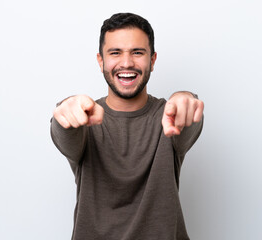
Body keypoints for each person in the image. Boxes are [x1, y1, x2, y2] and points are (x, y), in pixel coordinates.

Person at [50, 12, 204, 240]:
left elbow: (188, 119)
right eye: (115, 53)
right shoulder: (85, 118)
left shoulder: (169, 117)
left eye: (137, 52)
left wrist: (185, 98)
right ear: (100, 60)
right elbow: (64, 132)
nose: (126, 63)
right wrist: (65, 109)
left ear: (152, 60)